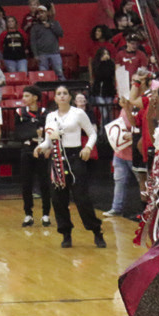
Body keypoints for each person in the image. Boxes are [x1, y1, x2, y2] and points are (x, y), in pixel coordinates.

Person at [37, 86, 103, 248]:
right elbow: (48, 140)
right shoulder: (50, 116)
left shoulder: (78, 113)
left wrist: (87, 147)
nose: (62, 96)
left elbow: (92, 133)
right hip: (57, 159)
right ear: (54, 98)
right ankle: (66, 234)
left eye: (65, 93)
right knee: (59, 199)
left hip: (75, 158)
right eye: (58, 94)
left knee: (82, 198)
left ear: (70, 97)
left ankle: (96, 231)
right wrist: (41, 147)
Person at [12, 86, 52, 228]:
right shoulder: (19, 112)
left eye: (27, 96)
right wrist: (34, 132)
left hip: (42, 150)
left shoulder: (46, 113)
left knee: (44, 183)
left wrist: (30, 131)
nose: (24, 99)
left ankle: (46, 214)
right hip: (27, 150)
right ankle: (28, 214)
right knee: (26, 184)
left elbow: (49, 133)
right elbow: (18, 134)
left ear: (35, 97)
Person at [28, 7, 64, 77]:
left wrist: (51, 26)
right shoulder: (35, 27)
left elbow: (61, 34)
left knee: (59, 73)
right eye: (39, 13)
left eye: (42, 12)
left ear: (47, 13)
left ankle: (62, 87)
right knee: (44, 75)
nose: (41, 15)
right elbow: (33, 42)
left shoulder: (55, 23)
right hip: (42, 54)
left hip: (55, 53)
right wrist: (35, 55)